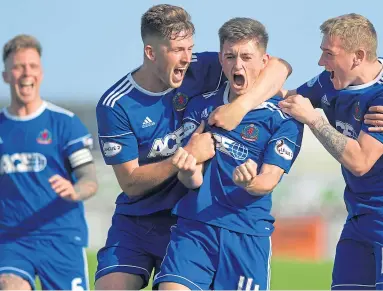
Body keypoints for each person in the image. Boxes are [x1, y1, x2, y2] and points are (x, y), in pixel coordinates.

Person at [94, 4, 292, 290]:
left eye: (190, 48)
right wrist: (183, 158)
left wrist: (241, 107)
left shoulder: (204, 66)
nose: (187, 58)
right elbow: (131, 184)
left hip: (191, 219)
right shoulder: (116, 104)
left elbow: (279, 67)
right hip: (139, 221)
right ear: (151, 52)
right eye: (177, 50)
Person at [153, 17, 304, 290]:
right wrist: (187, 169)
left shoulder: (283, 118)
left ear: (264, 61)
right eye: (230, 56)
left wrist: (250, 183)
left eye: (247, 57)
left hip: (247, 235)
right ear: (221, 60)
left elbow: (269, 179)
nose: (238, 65)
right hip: (195, 228)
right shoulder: (201, 105)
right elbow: (193, 179)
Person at [278, 13, 383, 290]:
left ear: (357, 56)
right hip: (356, 216)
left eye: (329, 54)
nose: (321, 62)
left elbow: (360, 161)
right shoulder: (330, 81)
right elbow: (288, 98)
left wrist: (313, 119)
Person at [0, 35, 98, 290]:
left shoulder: (65, 124)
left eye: (32, 66)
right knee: (8, 285)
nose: (26, 73)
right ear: (6, 75)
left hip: (62, 238)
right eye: (18, 67)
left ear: (41, 73)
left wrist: (74, 190)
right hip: (12, 240)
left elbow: (89, 179)